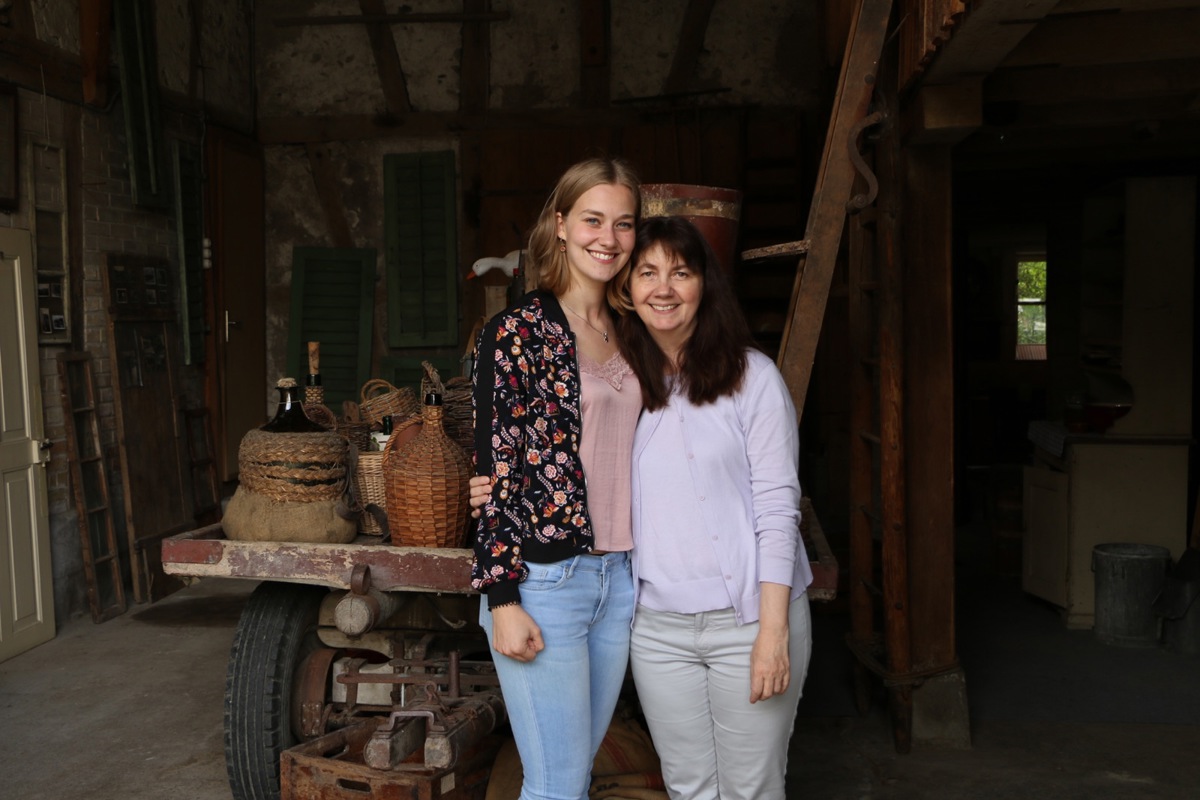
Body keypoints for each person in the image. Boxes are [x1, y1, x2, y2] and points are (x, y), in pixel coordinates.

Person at [613, 214, 813, 800]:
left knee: (751, 788)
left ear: (705, 284)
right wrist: (493, 484)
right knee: (688, 787)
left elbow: (779, 508)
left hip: (750, 622)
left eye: (681, 271)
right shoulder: (620, 385)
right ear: (627, 289)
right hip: (658, 632)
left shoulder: (754, 379)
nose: (664, 288)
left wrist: (772, 634)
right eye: (647, 273)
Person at [470, 157, 643, 800]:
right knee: (556, 784)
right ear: (561, 224)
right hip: (547, 582)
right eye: (593, 219)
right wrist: (503, 600)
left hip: (619, 579)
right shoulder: (517, 333)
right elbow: (495, 467)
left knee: (573, 776)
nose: (609, 238)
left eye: (623, 224)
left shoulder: (636, 330)